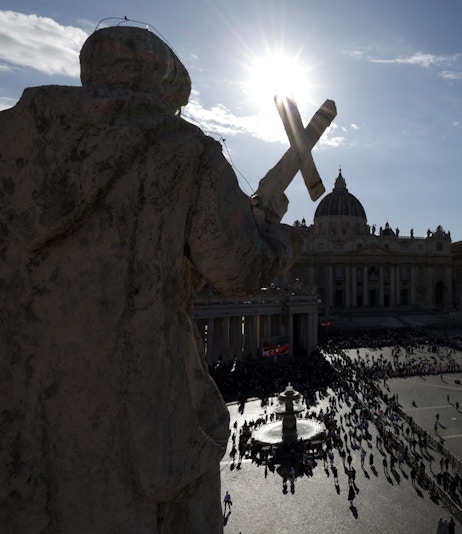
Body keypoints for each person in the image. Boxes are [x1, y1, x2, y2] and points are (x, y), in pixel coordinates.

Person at [0, 25, 311, 533]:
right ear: (163, 88)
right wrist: (283, 242)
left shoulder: (9, 143)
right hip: (142, 431)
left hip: (21, 441)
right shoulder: (182, 150)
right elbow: (237, 268)